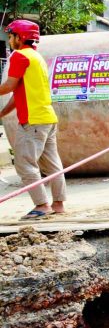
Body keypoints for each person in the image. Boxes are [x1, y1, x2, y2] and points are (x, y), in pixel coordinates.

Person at [0, 20, 66, 220]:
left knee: (24, 163)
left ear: (19, 37)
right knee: (52, 164)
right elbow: (18, 91)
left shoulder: (19, 56)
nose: (10, 40)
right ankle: (58, 204)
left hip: (33, 121)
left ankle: (41, 205)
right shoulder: (36, 57)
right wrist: (2, 113)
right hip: (47, 118)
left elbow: (9, 85)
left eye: (11, 36)